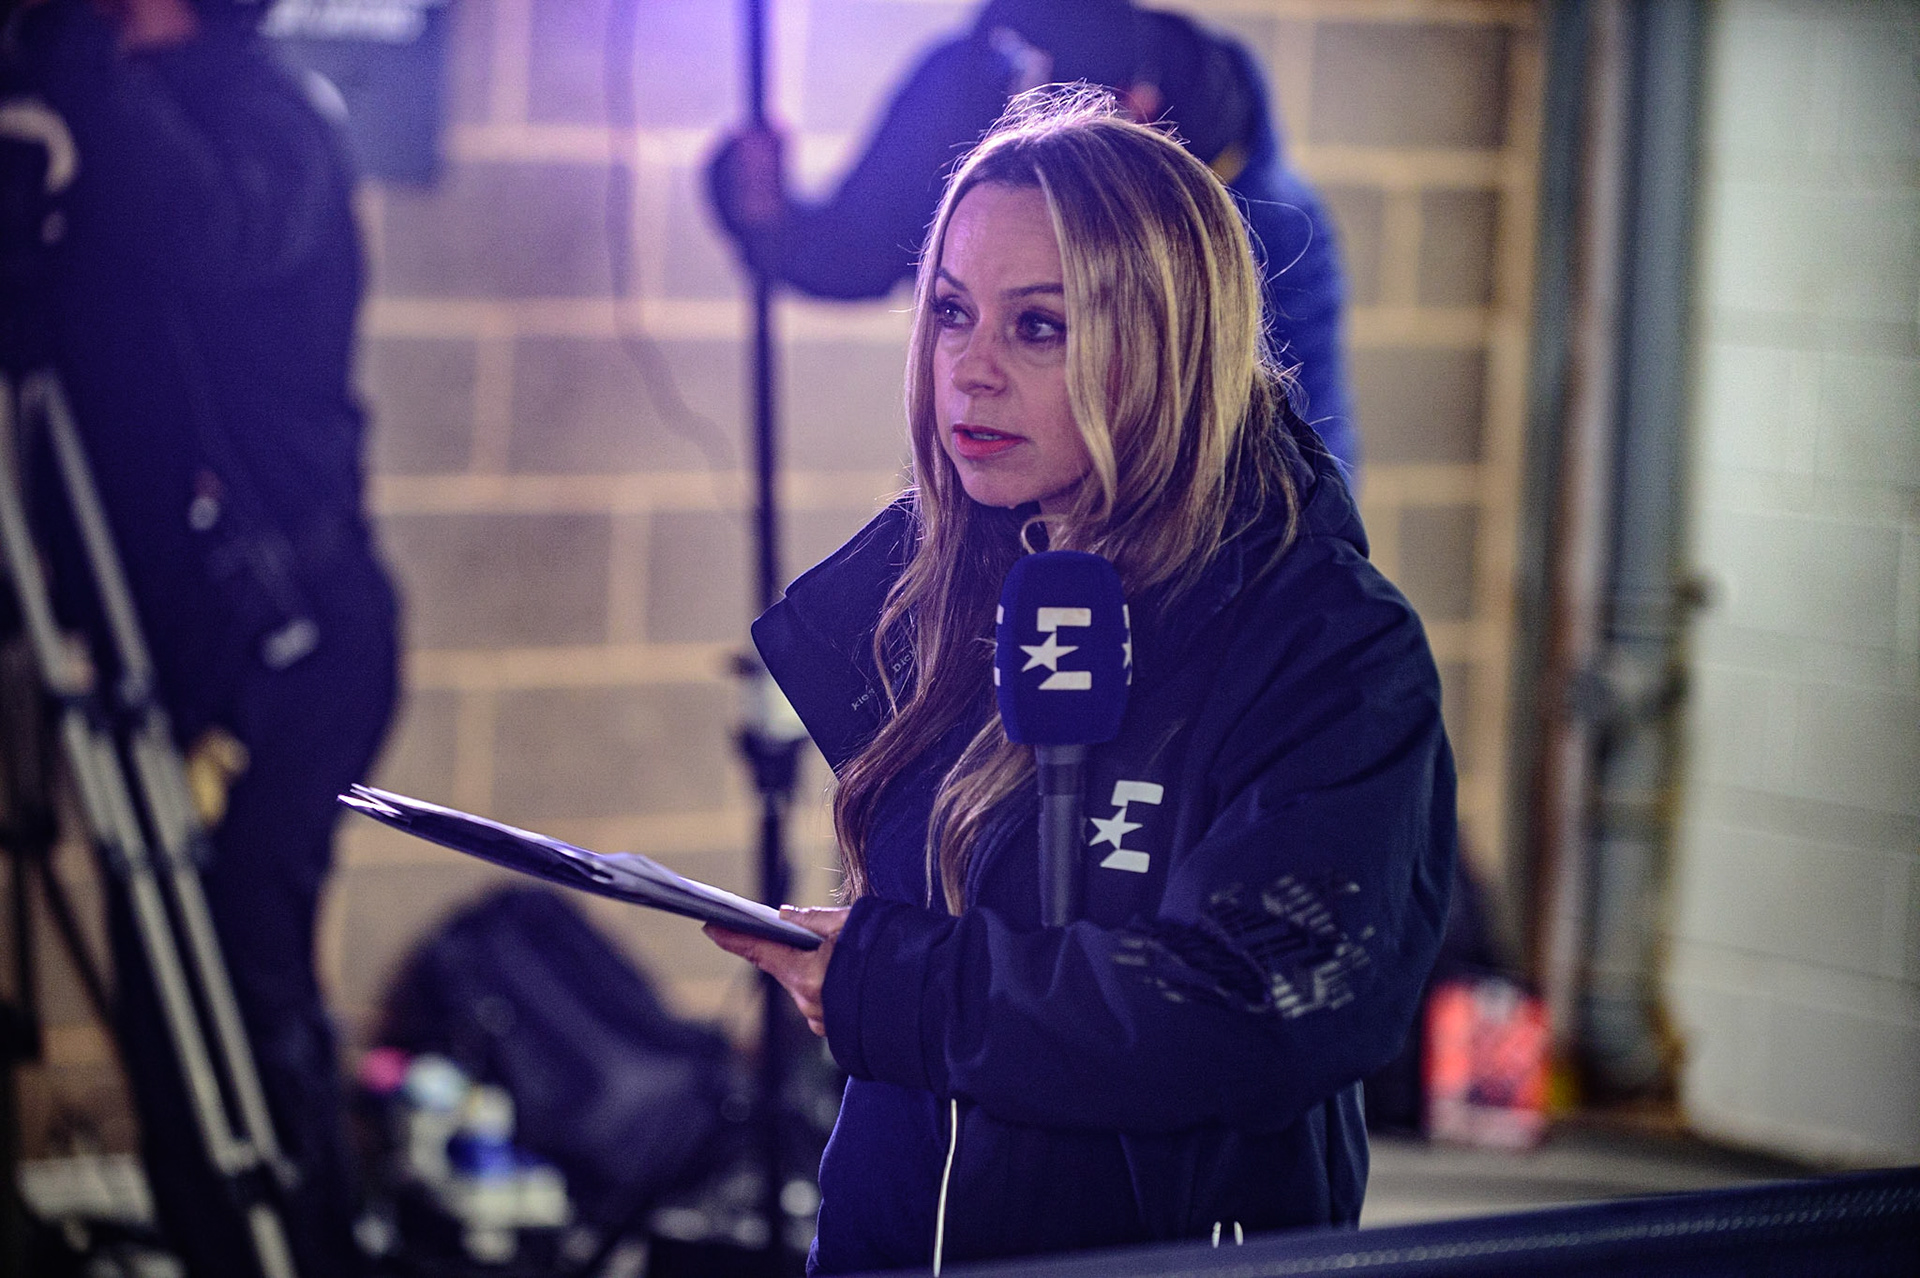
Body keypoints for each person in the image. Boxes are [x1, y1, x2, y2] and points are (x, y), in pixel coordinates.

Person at [705, 90, 1453, 1274]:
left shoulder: (1331, 654)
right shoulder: (927, 598)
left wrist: (900, 986)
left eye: (1039, 327)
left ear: (1161, 335)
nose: (972, 371)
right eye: (952, 313)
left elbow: (1257, 1009)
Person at [10, 1, 400, 1274]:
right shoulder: (124, 123)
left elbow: (203, 230)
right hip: (165, 645)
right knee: (165, 988)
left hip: (293, 640)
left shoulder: (270, 120)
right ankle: (213, 1240)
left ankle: (300, 1248)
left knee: (242, 976)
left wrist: (76, 64)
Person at [707, 0, 1361, 478]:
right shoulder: (963, 81)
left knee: (1271, 504)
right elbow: (857, 250)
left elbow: (1302, 478)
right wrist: (765, 216)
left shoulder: (1197, 94)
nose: (974, 368)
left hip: (1245, 276)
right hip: (1021, 491)